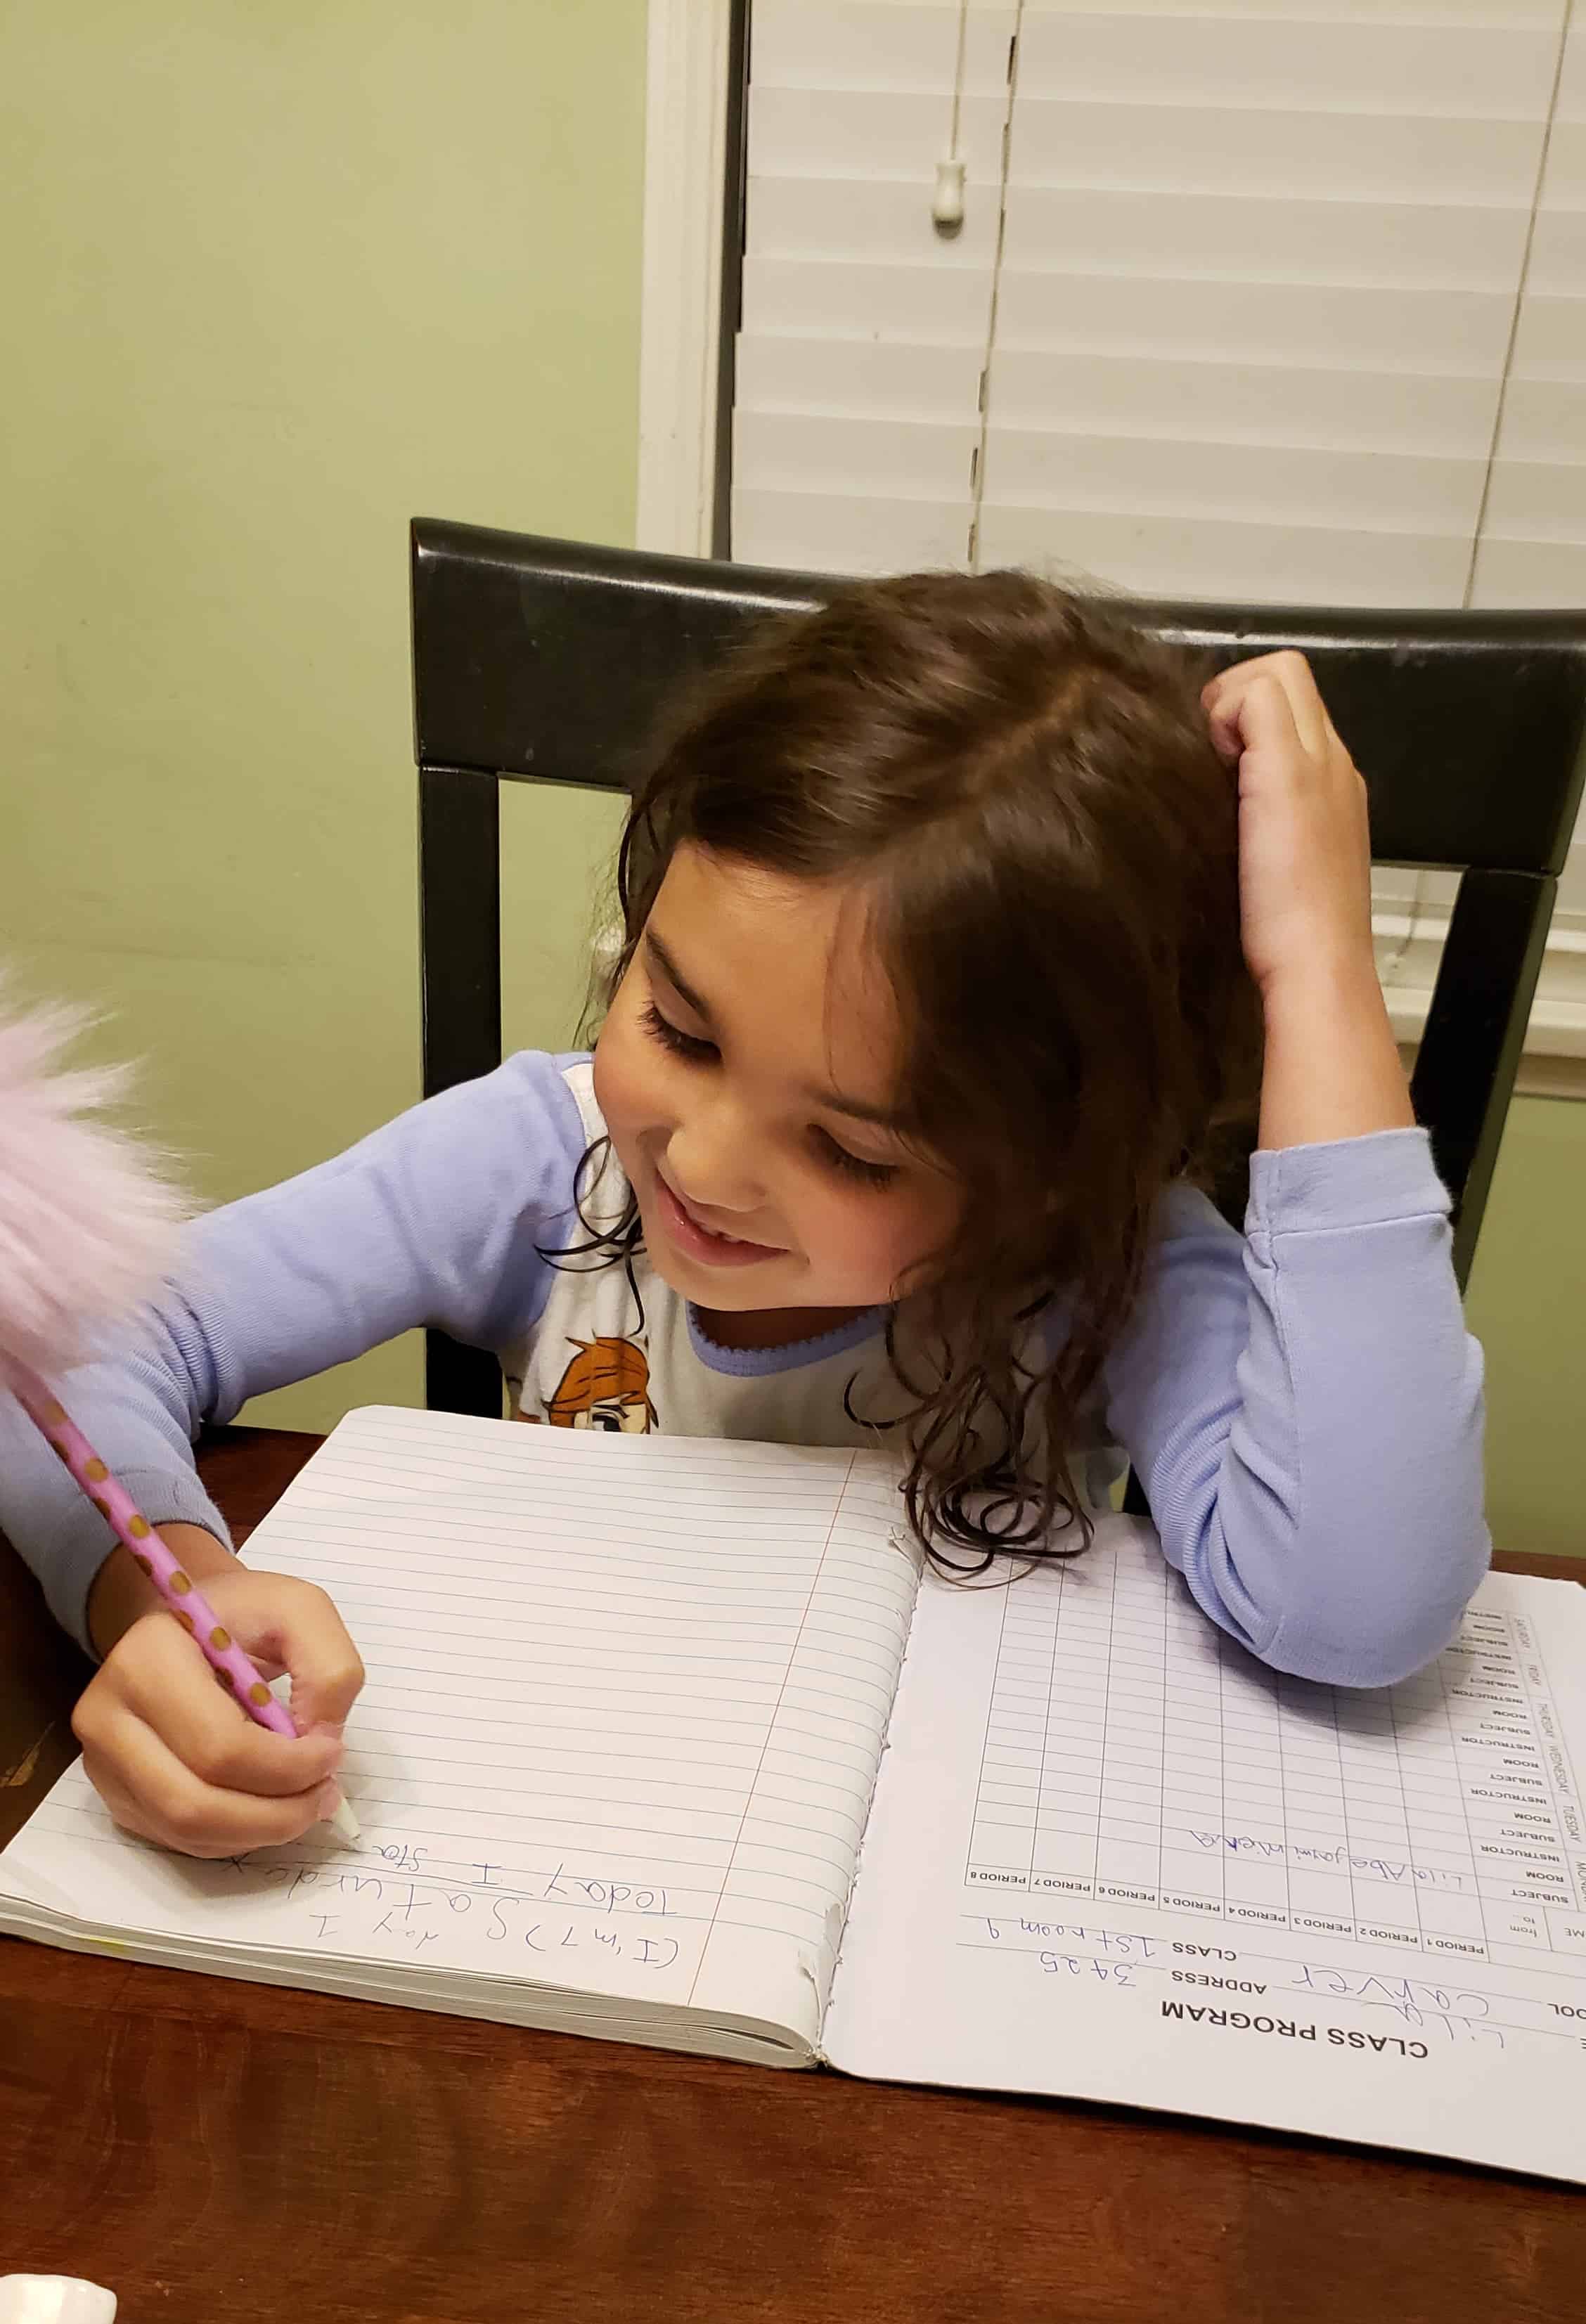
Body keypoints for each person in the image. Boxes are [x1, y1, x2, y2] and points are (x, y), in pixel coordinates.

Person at [0, 573, 1485, 1859]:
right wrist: (163, 1592)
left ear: (1055, 1167)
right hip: (555, 1857)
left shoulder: (1113, 1263)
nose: (700, 1164)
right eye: (681, 1026)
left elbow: (1359, 1607)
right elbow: (81, 1350)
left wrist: (1317, 968)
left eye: (850, 1148)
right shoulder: (542, 1158)